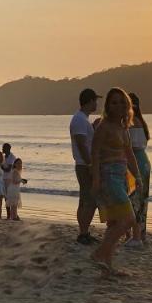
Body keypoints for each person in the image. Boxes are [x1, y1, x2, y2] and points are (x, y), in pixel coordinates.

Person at [91, 88, 143, 276]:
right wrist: (96, 179)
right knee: (128, 219)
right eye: (114, 102)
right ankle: (99, 254)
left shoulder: (123, 128)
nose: (119, 106)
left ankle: (108, 265)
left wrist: (137, 176)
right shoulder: (103, 126)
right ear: (108, 106)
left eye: (122, 102)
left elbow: (129, 154)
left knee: (114, 224)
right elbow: (95, 153)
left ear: (127, 105)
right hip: (108, 176)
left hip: (121, 177)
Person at [70, 88, 100, 245]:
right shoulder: (79, 120)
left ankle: (84, 232)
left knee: (85, 199)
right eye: (95, 100)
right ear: (89, 101)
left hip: (83, 163)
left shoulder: (82, 119)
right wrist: (90, 164)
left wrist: (93, 128)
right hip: (84, 164)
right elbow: (82, 144)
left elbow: (85, 141)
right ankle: (83, 232)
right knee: (90, 199)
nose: (97, 103)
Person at [126, 92, 151, 247]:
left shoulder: (132, 122)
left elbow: (128, 146)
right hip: (143, 161)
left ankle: (135, 236)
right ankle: (140, 234)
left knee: (134, 200)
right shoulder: (142, 121)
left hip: (135, 161)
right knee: (142, 200)